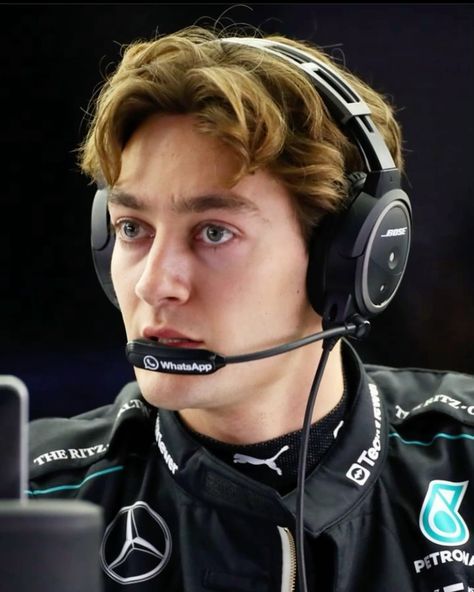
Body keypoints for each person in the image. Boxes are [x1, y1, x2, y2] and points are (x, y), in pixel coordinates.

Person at [28, 25, 474, 592]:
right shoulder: (32, 498)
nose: (154, 284)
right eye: (133, 228)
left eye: (214, 232)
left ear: (347, 260)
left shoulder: (462, 456)